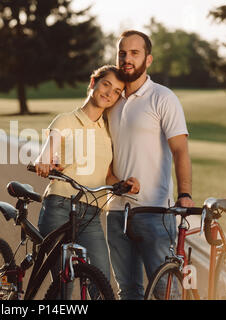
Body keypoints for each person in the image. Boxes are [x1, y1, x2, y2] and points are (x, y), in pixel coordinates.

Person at [105, 30, 194, 300]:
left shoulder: (162, 97)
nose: (127, 59)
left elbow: (180, 150)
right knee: (128, 292)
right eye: (122, 53)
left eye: (134, 53)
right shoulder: (112, 101)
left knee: (166, 292)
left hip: (155, 212)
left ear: (148, 59)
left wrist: (185, 194)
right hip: (117, 212)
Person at [34, 65, 140, 288]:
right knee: (65, 282)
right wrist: (44, 161)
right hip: (60, 207)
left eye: (117, 91)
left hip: (91, 214)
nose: (109, 93)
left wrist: (123, 184)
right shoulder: (65, 121)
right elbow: (47, 151)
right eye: (106, 84)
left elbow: (108, 175)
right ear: (93, 83)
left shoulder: (107, 130)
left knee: (101, 280)